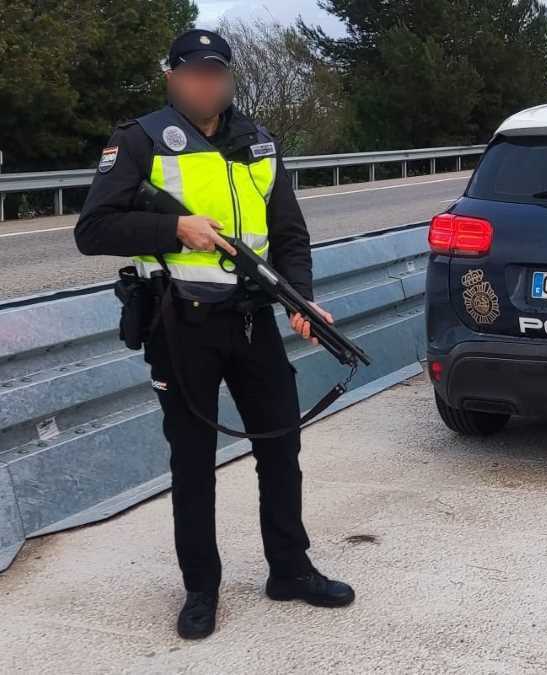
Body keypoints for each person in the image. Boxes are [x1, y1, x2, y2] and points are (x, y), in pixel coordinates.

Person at [75, 29, 354, 640]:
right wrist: (176, 228)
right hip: (181, 324)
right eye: (195, 73)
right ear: (173, 78)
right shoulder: (140, 139)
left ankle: (290, 569)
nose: (208, 83)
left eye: (217, 73)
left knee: (281, 448)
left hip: (254, 319)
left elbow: (289, 236)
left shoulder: (257, 142)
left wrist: (299, 299)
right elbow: (93, 230)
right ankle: (202, 588)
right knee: (194, 462)